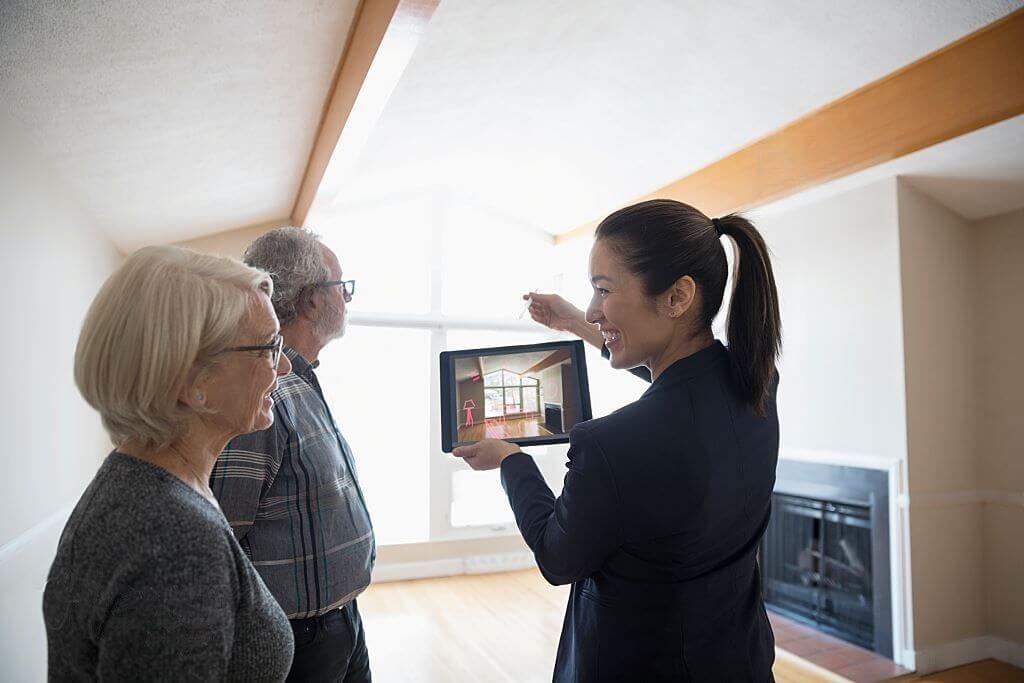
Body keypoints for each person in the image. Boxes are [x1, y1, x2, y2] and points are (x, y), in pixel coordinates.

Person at [454, 199, 782, 682]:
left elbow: (557, 556)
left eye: (603, 290)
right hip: (738, 660)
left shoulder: (610, 445)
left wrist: (511, 461)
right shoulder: (756, 384)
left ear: (677, 297)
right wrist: (577, 324)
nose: (592, 308)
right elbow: (679, 393)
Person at [43, 246, 295, 680]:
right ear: (193, 382)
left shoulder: (144, 484)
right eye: (268, 347)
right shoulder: (176, 540)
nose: (285, 366)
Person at [211, 227, 375, 682]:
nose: (348, 297)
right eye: (341, 286)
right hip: (295, 643)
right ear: (310, 301)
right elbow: (224, 537)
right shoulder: (260, 396)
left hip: (341, 624)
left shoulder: (301, 381)